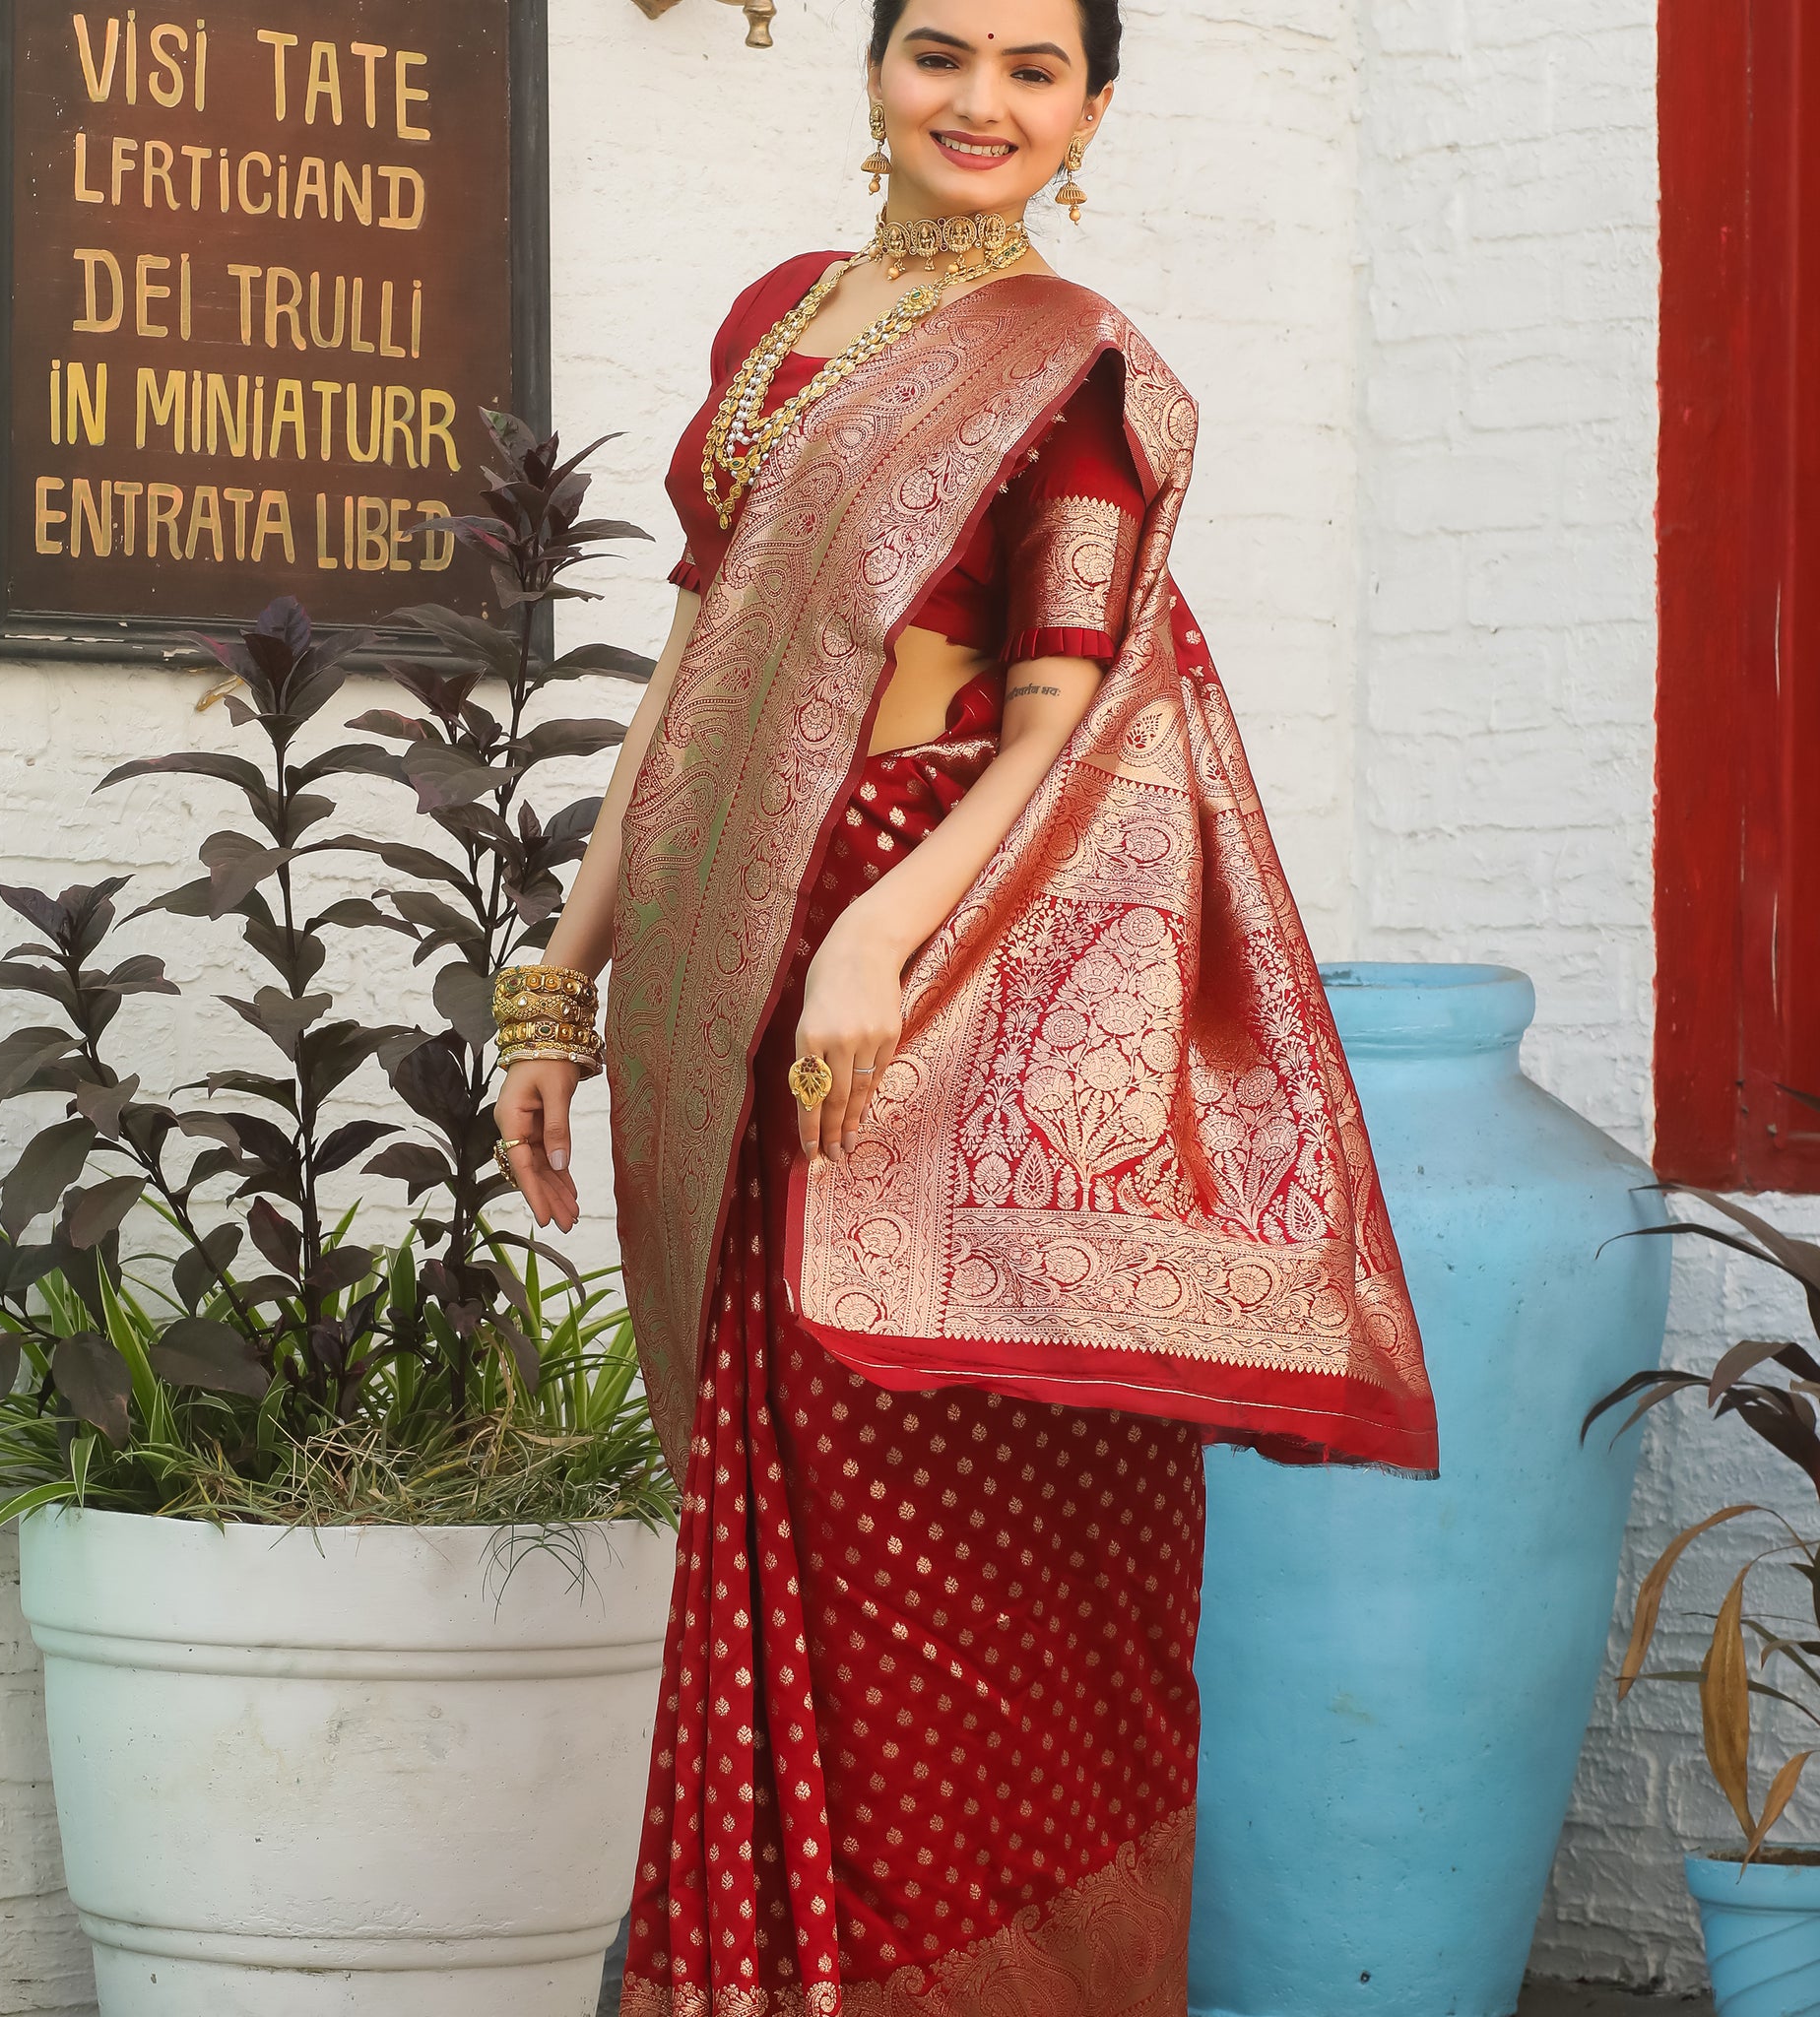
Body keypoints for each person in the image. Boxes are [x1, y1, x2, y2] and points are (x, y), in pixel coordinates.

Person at [491, 1, 1440, 2007]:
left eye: (1031, 67)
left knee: (936, 1533)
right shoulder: (780, 322)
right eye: (940, 51)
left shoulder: (1068, 365)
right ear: (869, 74)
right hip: (727, 937)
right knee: (774, 1500)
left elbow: (1063, 710)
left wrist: (875, 937)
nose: (979, 101)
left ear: (1094, 107)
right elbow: (690, 673)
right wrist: (554, 985)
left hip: (939, 967)